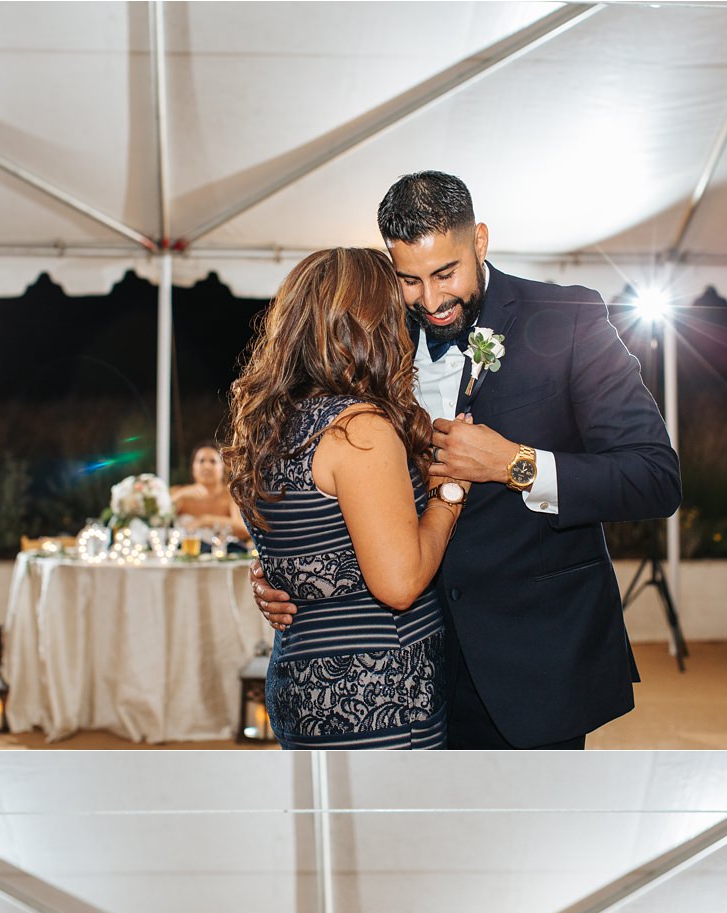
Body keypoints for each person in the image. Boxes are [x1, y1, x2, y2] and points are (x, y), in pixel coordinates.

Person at [253, 170, 681, 749]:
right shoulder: (377, 331)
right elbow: (332, 474)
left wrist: (517, 464)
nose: (430, 301)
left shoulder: (568, 318)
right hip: (400, 667)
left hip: (531, 660)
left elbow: (655, 478)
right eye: (409, 279)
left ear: (479, 240)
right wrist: (295, 573)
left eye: (444, 273)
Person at [225, 246, 466, 748]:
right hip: (379, 693)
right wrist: (450, 492)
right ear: (373, 326)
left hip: (302, 685)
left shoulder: (270, 423)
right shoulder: (358, 429)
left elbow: (306, 541)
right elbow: (398, 584)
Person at [170, 442, 249, 539]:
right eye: (201, 461)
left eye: (213, 461)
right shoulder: (178, 493)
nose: (207, 466)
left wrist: (205, 521)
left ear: (223, 467)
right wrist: (179, 496)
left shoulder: (232, 496)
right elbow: (157, 521)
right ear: (193, 467)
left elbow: (244, 529)